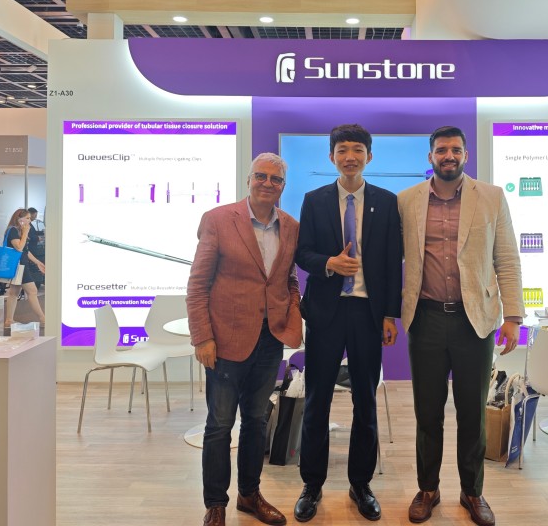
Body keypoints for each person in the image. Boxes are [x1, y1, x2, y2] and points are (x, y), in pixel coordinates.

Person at [397, 126, 524, 526]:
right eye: (441, 150)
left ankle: (472, 491)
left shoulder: (492, 197)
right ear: (430, 157)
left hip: (476, 322)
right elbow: (390, 258)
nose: (448, 155)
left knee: (472, 413)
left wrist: (513, 316)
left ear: (465, 155)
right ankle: (428, 489)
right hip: (426, 319)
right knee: (427, 413)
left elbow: (507, 258)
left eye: (455, 149)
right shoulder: (407, 200)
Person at [293, 124, 402, 523]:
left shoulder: (386, 202)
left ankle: (361, 484)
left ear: (369, 156)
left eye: (358, 149)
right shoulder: (314, 200)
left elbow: (392, 262)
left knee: (365, 402)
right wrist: (329, 263)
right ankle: (312, 484)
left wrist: (389, 314)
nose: (350, 156)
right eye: (342, 150)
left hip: (368, 314)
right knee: (317, 400)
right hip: (326, 313)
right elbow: (302, 253)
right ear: (332, 157)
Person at [187, 153, 303, 526]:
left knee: (255, 421)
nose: (268, 183)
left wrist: (292, 312)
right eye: (261, 176)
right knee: (220, 425)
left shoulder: (291, 226)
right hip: (224, 341)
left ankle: (249, 495)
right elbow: (198, 284)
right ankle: (215, 504)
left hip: (269, 340)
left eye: (276, 179)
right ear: (249, 179)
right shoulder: (219, 219)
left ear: (283, 186)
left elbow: (288, 278)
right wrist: (202, 338)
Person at [2, 208, 46, 327]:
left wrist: (37, 262)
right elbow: (19, 248)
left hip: (21, 264)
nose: (29, 221)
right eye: (27, 218)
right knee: (32, 291)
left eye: (29, 218)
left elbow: (25, 251)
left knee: (14, 293)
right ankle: (43, 319)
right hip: (18, 265)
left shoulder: (19, 231)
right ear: (19, 219)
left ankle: (9, 320)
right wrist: (26, 232)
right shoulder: (13, 230)